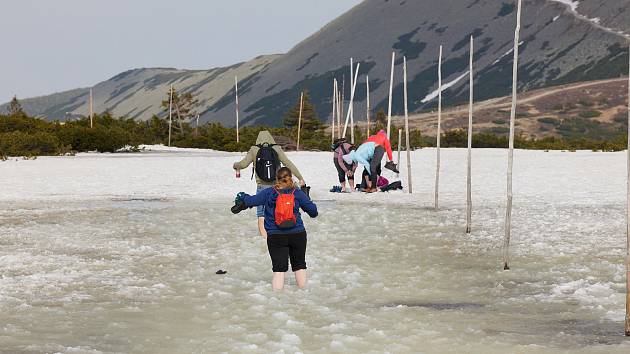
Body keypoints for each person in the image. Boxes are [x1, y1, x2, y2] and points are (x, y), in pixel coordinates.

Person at [231, 167, 318, 290]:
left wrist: (242, 197)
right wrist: (307, 201)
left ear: (276, 178)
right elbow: (314, 212)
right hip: (297, 234)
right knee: (299, 266)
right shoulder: (297, 193)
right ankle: (304, 296)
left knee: (279, 270)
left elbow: (251, 201)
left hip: (276, 236)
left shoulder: (269, 193)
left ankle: (277, 300)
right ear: (290, 177)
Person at [233, 131, 306, 237]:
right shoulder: (276, 148)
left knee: (261, 215)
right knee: (277, 212)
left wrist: (236, 166)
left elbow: (243, 164)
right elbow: (288, 163)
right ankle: (277, 237)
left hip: (261, 187)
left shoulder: (254, 149)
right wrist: (300, 178)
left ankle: (265, 239)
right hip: (276, 187)